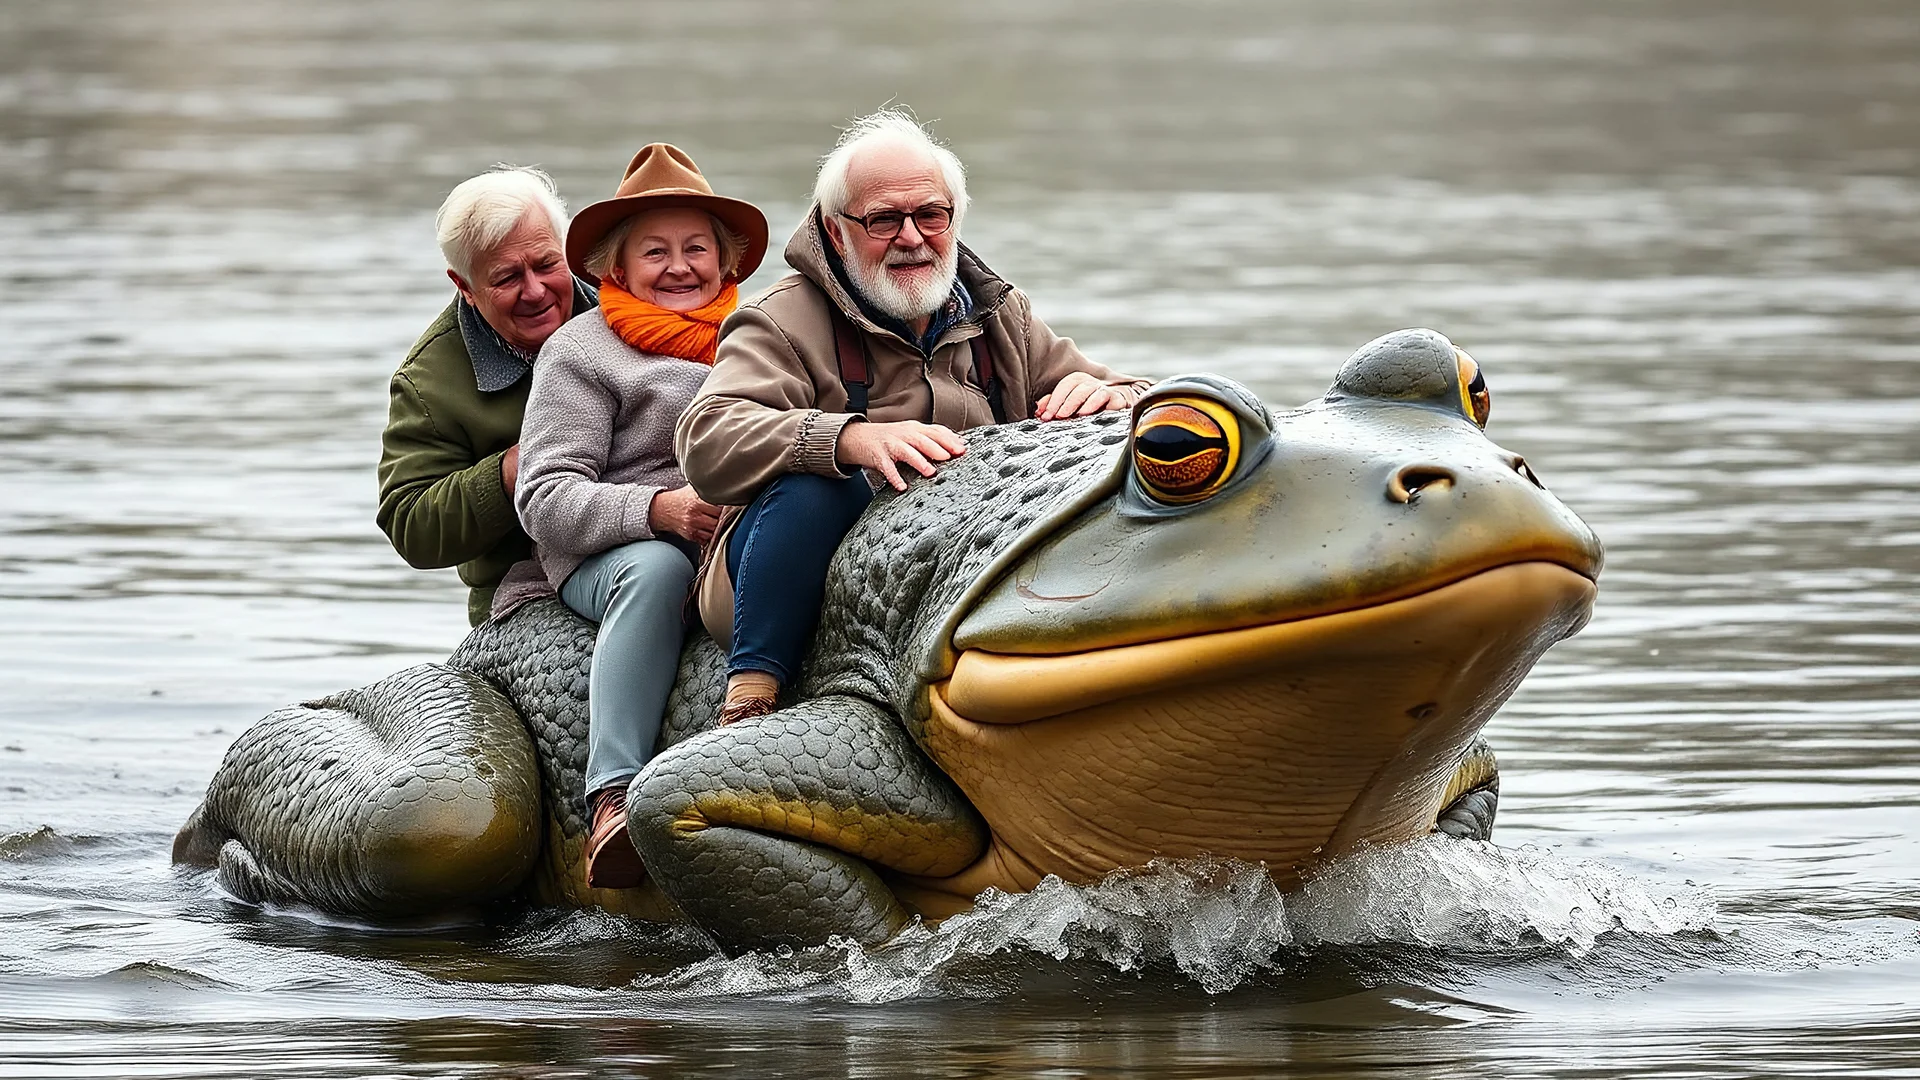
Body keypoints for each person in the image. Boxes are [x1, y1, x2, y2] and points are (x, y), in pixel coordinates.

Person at [675, 109, 1149, 725]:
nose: (912, 236)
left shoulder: (1002, 315)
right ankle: (751, 697)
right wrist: (849, 439)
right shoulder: (779, 319)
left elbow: (1142, 395)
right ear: (836, 231)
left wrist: (1106, 393)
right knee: (815, 490)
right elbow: (707, 437)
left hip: (956, 565)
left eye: (930, 214)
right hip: (786, 564)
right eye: (883, 220)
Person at [514, 144, 768, 888]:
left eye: (697, 248)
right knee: (655, 572)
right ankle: (612, 798)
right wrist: (660, 510)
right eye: (655, 252)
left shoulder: (759, 336)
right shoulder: (580, 351)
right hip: (611, 551)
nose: (680, 266)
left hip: (731, 535)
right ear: (615, 271)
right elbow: (544, 497)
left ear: (727, 265)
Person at [378, 167, 598, 626]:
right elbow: (410, 525)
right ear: (465, 287)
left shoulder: (633, 304)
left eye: (546, 264)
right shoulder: (428, 382)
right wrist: (510, 471)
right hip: (523, 592)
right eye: (507, 278)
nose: (535, 291)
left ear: (569, 252)